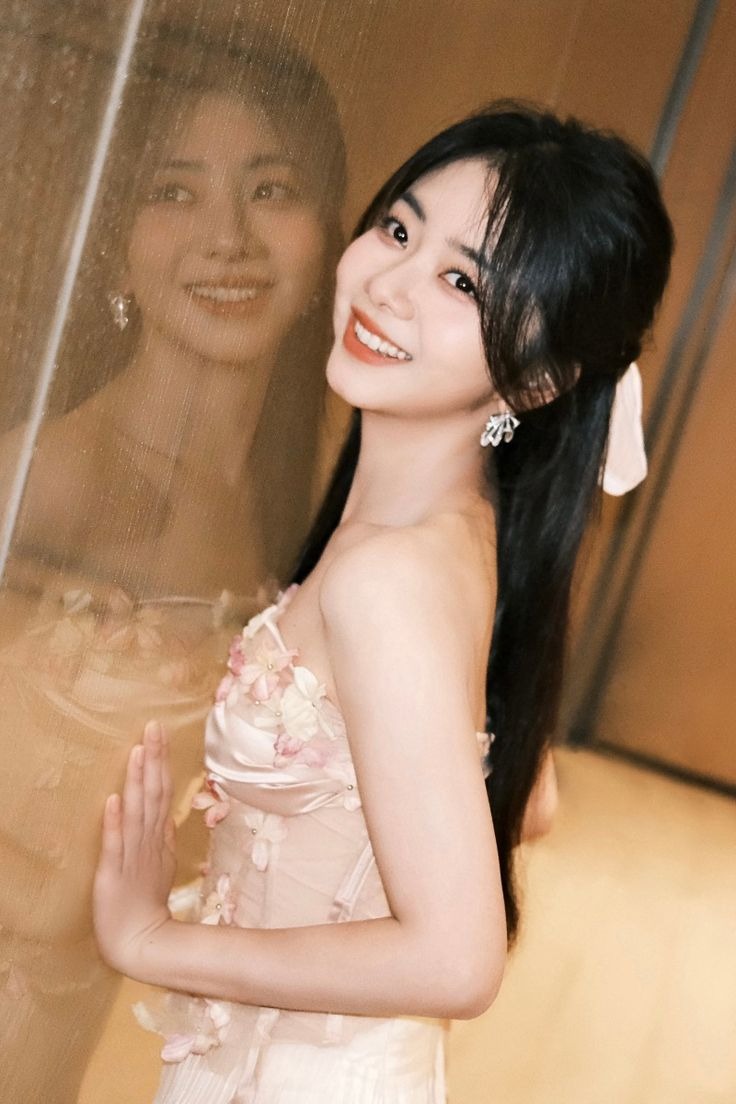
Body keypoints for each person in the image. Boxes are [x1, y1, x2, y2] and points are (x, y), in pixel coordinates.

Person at [92, 102, 673, 1102]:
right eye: (400, 230)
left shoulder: (389, 576)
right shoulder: (473, 525)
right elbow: (529, 797)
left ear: (539, 378)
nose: (388, 284)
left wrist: (154, 940)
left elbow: (457, 962)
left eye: (461, 282)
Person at [0, 21, 346, 1103]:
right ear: (116, 244)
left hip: (86, 1034)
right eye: (174, 192)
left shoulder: (293, 506)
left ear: (328, 238)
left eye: (270, 189)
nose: (226, 238)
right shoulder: (55, 478)